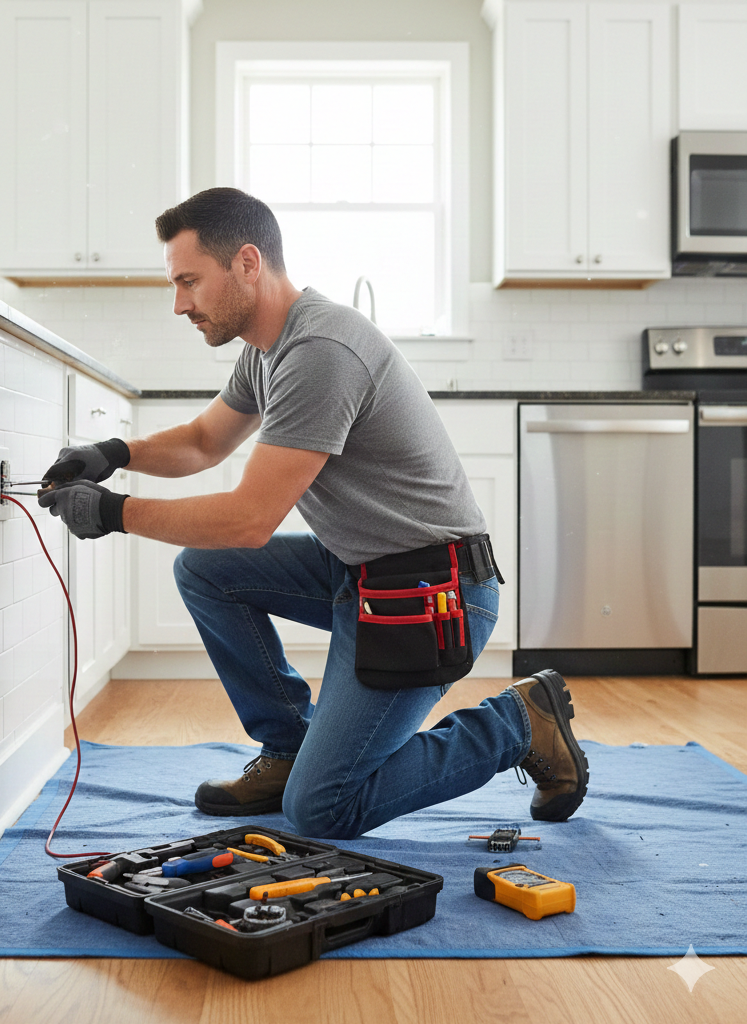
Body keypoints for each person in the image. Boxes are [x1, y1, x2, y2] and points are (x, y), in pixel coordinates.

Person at [39, 187, 589, 840]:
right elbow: (203, 441)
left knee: (323, 810)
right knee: (207, 571)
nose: (180, 303)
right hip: (359, 570)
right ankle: (289, 750)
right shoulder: (266, 347)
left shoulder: (321, 352)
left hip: (433, 594)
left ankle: (519, 722)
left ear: (247, 264)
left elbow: (249, 520)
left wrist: (112, 512)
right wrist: (112, 452)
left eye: (189, 281)